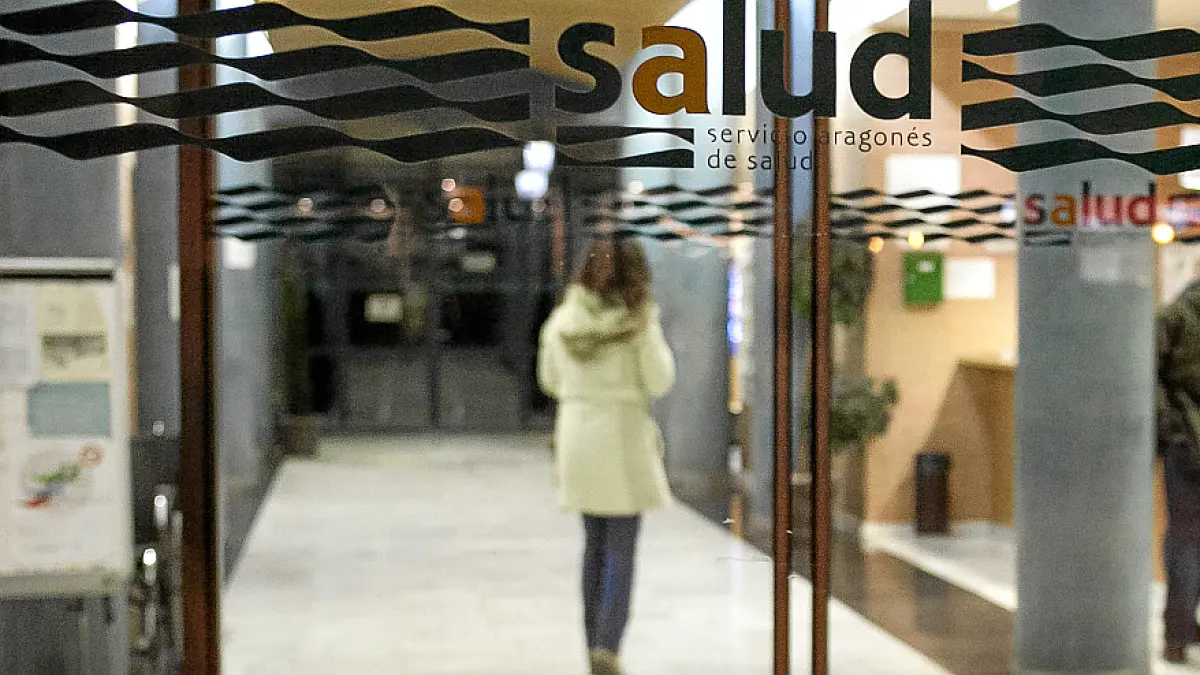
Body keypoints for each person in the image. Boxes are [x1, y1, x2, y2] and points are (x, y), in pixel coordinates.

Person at [537, 236, 675, 675]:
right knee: (621, 546)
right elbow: (660, 380)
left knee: (594, 544)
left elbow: (549, 380)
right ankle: (608, 647)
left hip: (578, 438)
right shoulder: (638, 324)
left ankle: (592, 644)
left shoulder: (563, 320)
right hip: (622, 439)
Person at [1156, 277, 1200, 663]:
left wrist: (1170, 431)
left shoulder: (1174, 316)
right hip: (1186, 440)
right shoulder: (1176, 317)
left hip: (1186, 445)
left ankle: (1178, 635)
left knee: (1185, 540)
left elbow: (1145, 377)